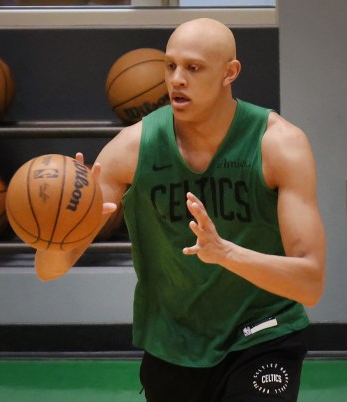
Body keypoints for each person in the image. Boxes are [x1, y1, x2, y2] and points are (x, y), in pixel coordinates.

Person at [34, 18, 326, 401]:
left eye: (193, 67)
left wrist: (225, 254)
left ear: (230, 72)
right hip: (174, 343)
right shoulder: (130, 149)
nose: (176, 79)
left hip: (263, 333)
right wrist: (63, 225)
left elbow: (310, 282)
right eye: (170, 66)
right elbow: (48, 270)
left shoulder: (279, 145)